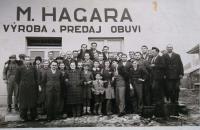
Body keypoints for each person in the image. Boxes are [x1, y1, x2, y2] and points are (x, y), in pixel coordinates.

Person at [15, 56, 38, 121]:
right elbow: (17, 79)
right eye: (26, 60)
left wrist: (35, 84)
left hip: (32, 87)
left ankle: (34, 116)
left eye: (29, 60)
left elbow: (36, 78)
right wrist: (22, 84)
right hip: (23, 88)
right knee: (23, 102)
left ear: (30, 61)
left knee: (32, 102)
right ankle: (23, 117)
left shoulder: (33, 68)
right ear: (24, 61)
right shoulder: (19, 68)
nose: (27, 61)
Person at [150, 47, 165, 117]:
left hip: (159, 79)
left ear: (157, 52)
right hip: (154, 79)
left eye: (153, 52)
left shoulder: (160, 57)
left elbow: (163, 66)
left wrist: (155, 65)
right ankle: (157, 111)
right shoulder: (153, 58)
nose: (152, 53)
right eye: (151, 52)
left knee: (159, 95)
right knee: (155, 93)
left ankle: (160, 112)